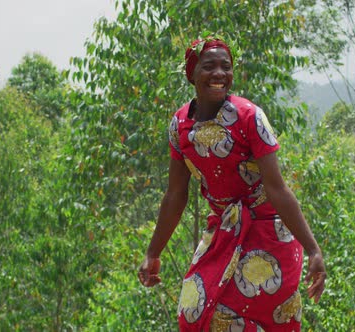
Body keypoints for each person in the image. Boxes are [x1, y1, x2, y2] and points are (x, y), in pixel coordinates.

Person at [138, 37, 326, 331]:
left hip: (268, 234)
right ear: (192, 73)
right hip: (224, 232)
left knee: (229, 319)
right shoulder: (180, 126)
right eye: (209, 66)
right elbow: (175, 195)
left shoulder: (249, 116)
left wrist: (313, 249)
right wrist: (153, 253)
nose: (219, 74)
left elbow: (277, 189)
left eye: (226, 67)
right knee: (192, 312)